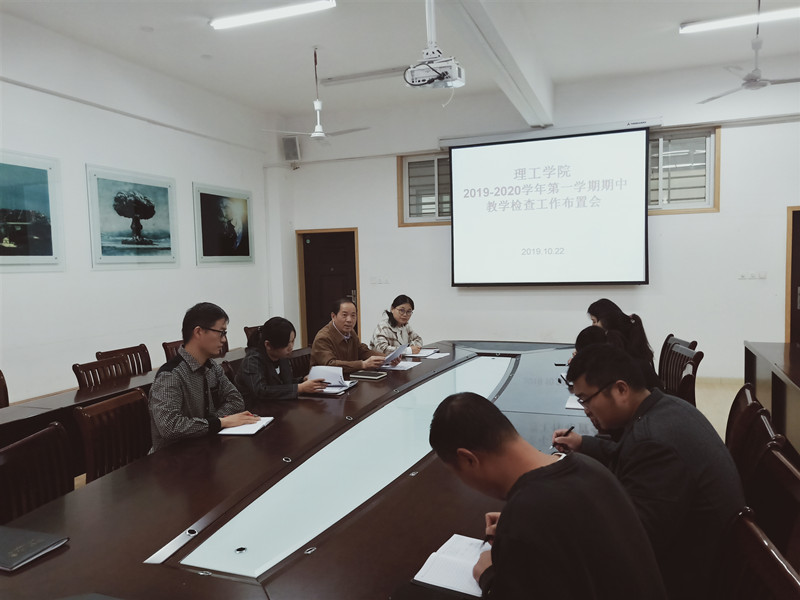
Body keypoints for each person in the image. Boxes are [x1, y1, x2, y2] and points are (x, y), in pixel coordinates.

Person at [428, 392, 667, 599]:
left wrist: (489, 575)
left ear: (468, 459)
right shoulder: (589, 467)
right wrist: (520, 530)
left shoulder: (526, 515)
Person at [552, 344, 745, 600]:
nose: (585, 409)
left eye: (586, 399)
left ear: (621, 389)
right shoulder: (667, 407)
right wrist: (583, 444)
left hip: (686, 581)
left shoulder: (653, 443)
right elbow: (625, 454)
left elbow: (632, 546)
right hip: (702, 558)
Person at [148, 302, 260, 452]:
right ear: (199, 332)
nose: (224, 340)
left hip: (204, 446)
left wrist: (213, 422)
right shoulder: (170, 375)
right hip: (172, 457)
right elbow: (170, 427)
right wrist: (218, 423)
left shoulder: (211, 366)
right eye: (221, 332)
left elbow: (236, 400)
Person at [235, 317, 327, 408]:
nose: (291, 347)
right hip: (255, 411)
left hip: (279, 407)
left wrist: (303, 381)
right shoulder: (252, 361)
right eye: (286, 344)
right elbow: (261, 391)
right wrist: (300, 388)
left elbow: (284, 384)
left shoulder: (282, 356)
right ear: (268, 345)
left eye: (292, 341)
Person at [311, 298, 390, 375]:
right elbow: (330, 364)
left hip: (349, 377)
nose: (349, 320)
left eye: (353, 315)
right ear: (333, 316)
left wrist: (387, 358)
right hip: (325, 380)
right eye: (344, 315)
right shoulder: (323, 338)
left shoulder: (351, 332)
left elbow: (361, 351)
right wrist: (362, 364)